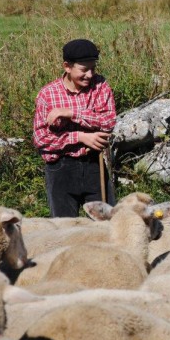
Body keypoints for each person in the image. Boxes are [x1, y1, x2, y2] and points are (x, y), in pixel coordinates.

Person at [33, 38, 116, 217]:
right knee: (65, 230)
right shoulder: (47, 95)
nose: (90, 75)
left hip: (94, 163)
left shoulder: (100, 86)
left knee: (105, 226)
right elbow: (41, 140)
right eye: (84, 70)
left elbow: (108, 122)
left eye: (93, 68)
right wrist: (80, 137)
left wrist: (71, 113)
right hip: (61, 168)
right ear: (67, 66)